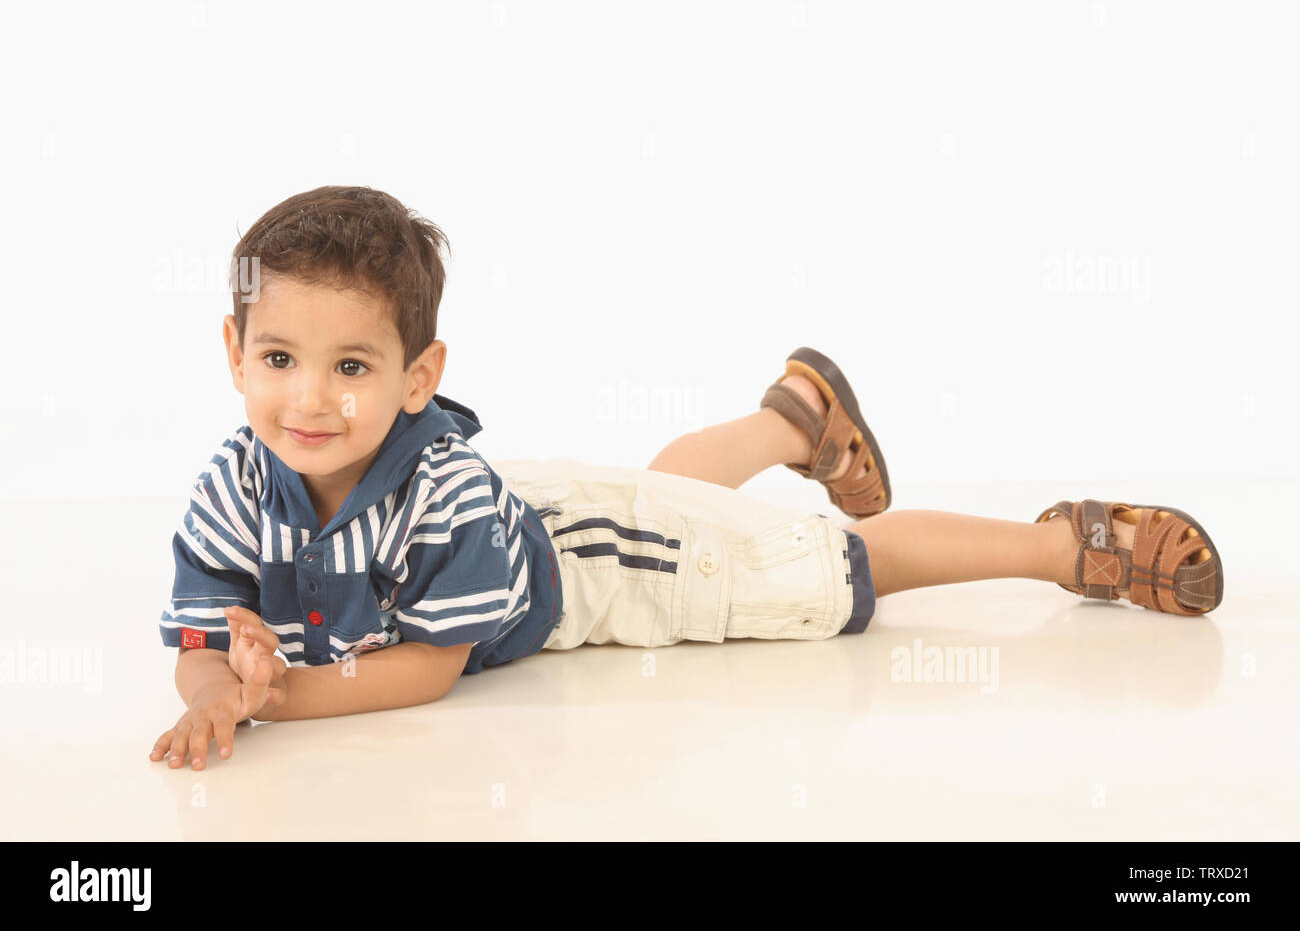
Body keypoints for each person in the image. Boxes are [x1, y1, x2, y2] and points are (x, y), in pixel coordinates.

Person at [149, 186, 1223, 771]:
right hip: (561, 516)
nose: (308, 400)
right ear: (234, 352)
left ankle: (1064, 543)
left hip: (602, 571)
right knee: (659, 496)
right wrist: (215, 697)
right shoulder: (233, 484)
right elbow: (205, 635)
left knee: (823, 571)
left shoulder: (445, 489)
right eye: (280, 359)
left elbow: (431, 665)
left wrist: (279, 693)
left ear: (418, 375)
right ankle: (790, 417)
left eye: (352, 368)